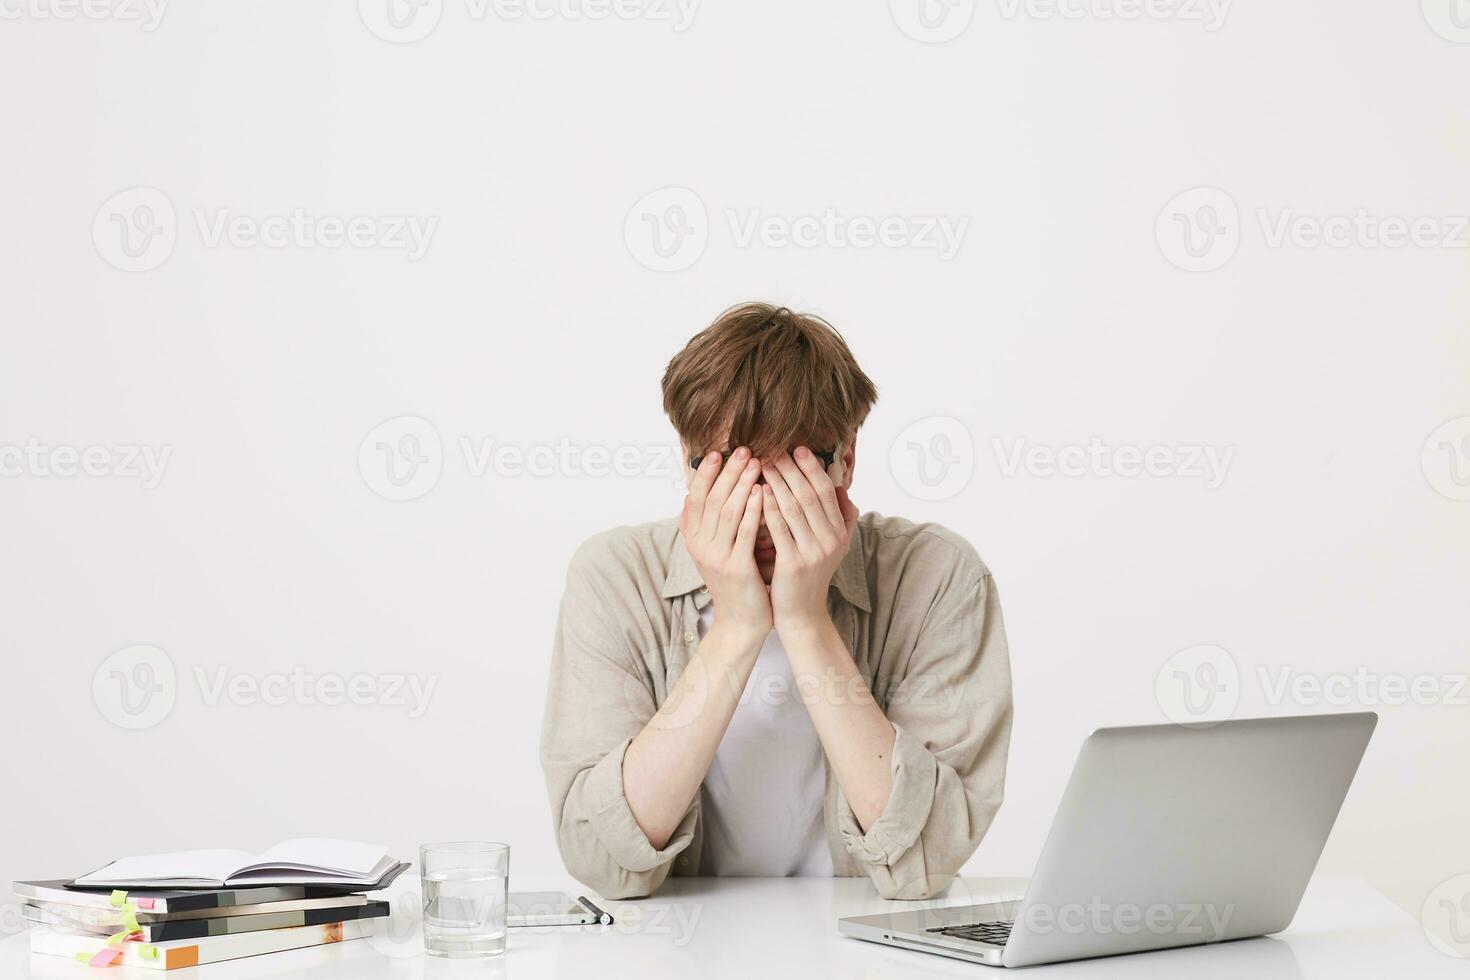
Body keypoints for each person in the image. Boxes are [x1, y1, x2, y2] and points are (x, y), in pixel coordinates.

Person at [540, 303, 1012, 900]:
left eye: (790, 479)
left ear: (847, 459)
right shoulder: (614, 576)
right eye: (734, 479)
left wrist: (806, 620)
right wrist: (737, 626)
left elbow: (925, 862)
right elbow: (604, 863)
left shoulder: (939, 577)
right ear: (687, 464)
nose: (761, 512)